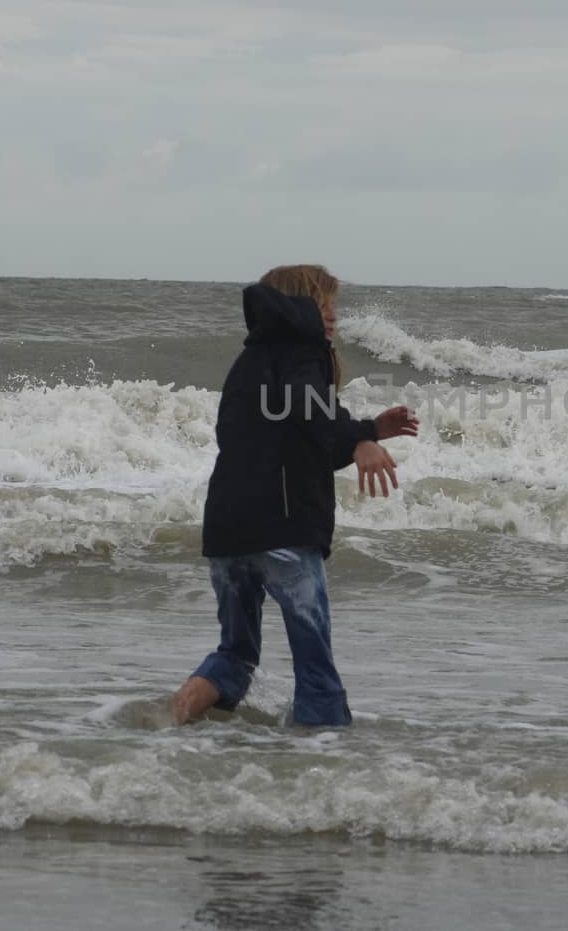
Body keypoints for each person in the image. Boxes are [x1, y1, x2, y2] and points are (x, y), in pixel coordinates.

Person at [172, 265, 418, 727]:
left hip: (228, 530)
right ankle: (326, 763)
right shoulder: (302, 354)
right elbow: (314, 414)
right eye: (323, 304)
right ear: (294, 304)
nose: (332, 317)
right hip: (283, 529)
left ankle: (173, 724)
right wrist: (362, 439)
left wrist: (366, 432)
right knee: (315, 670)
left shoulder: (250, 362)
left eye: (332, 306)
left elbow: (297, 442)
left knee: (236, 655)